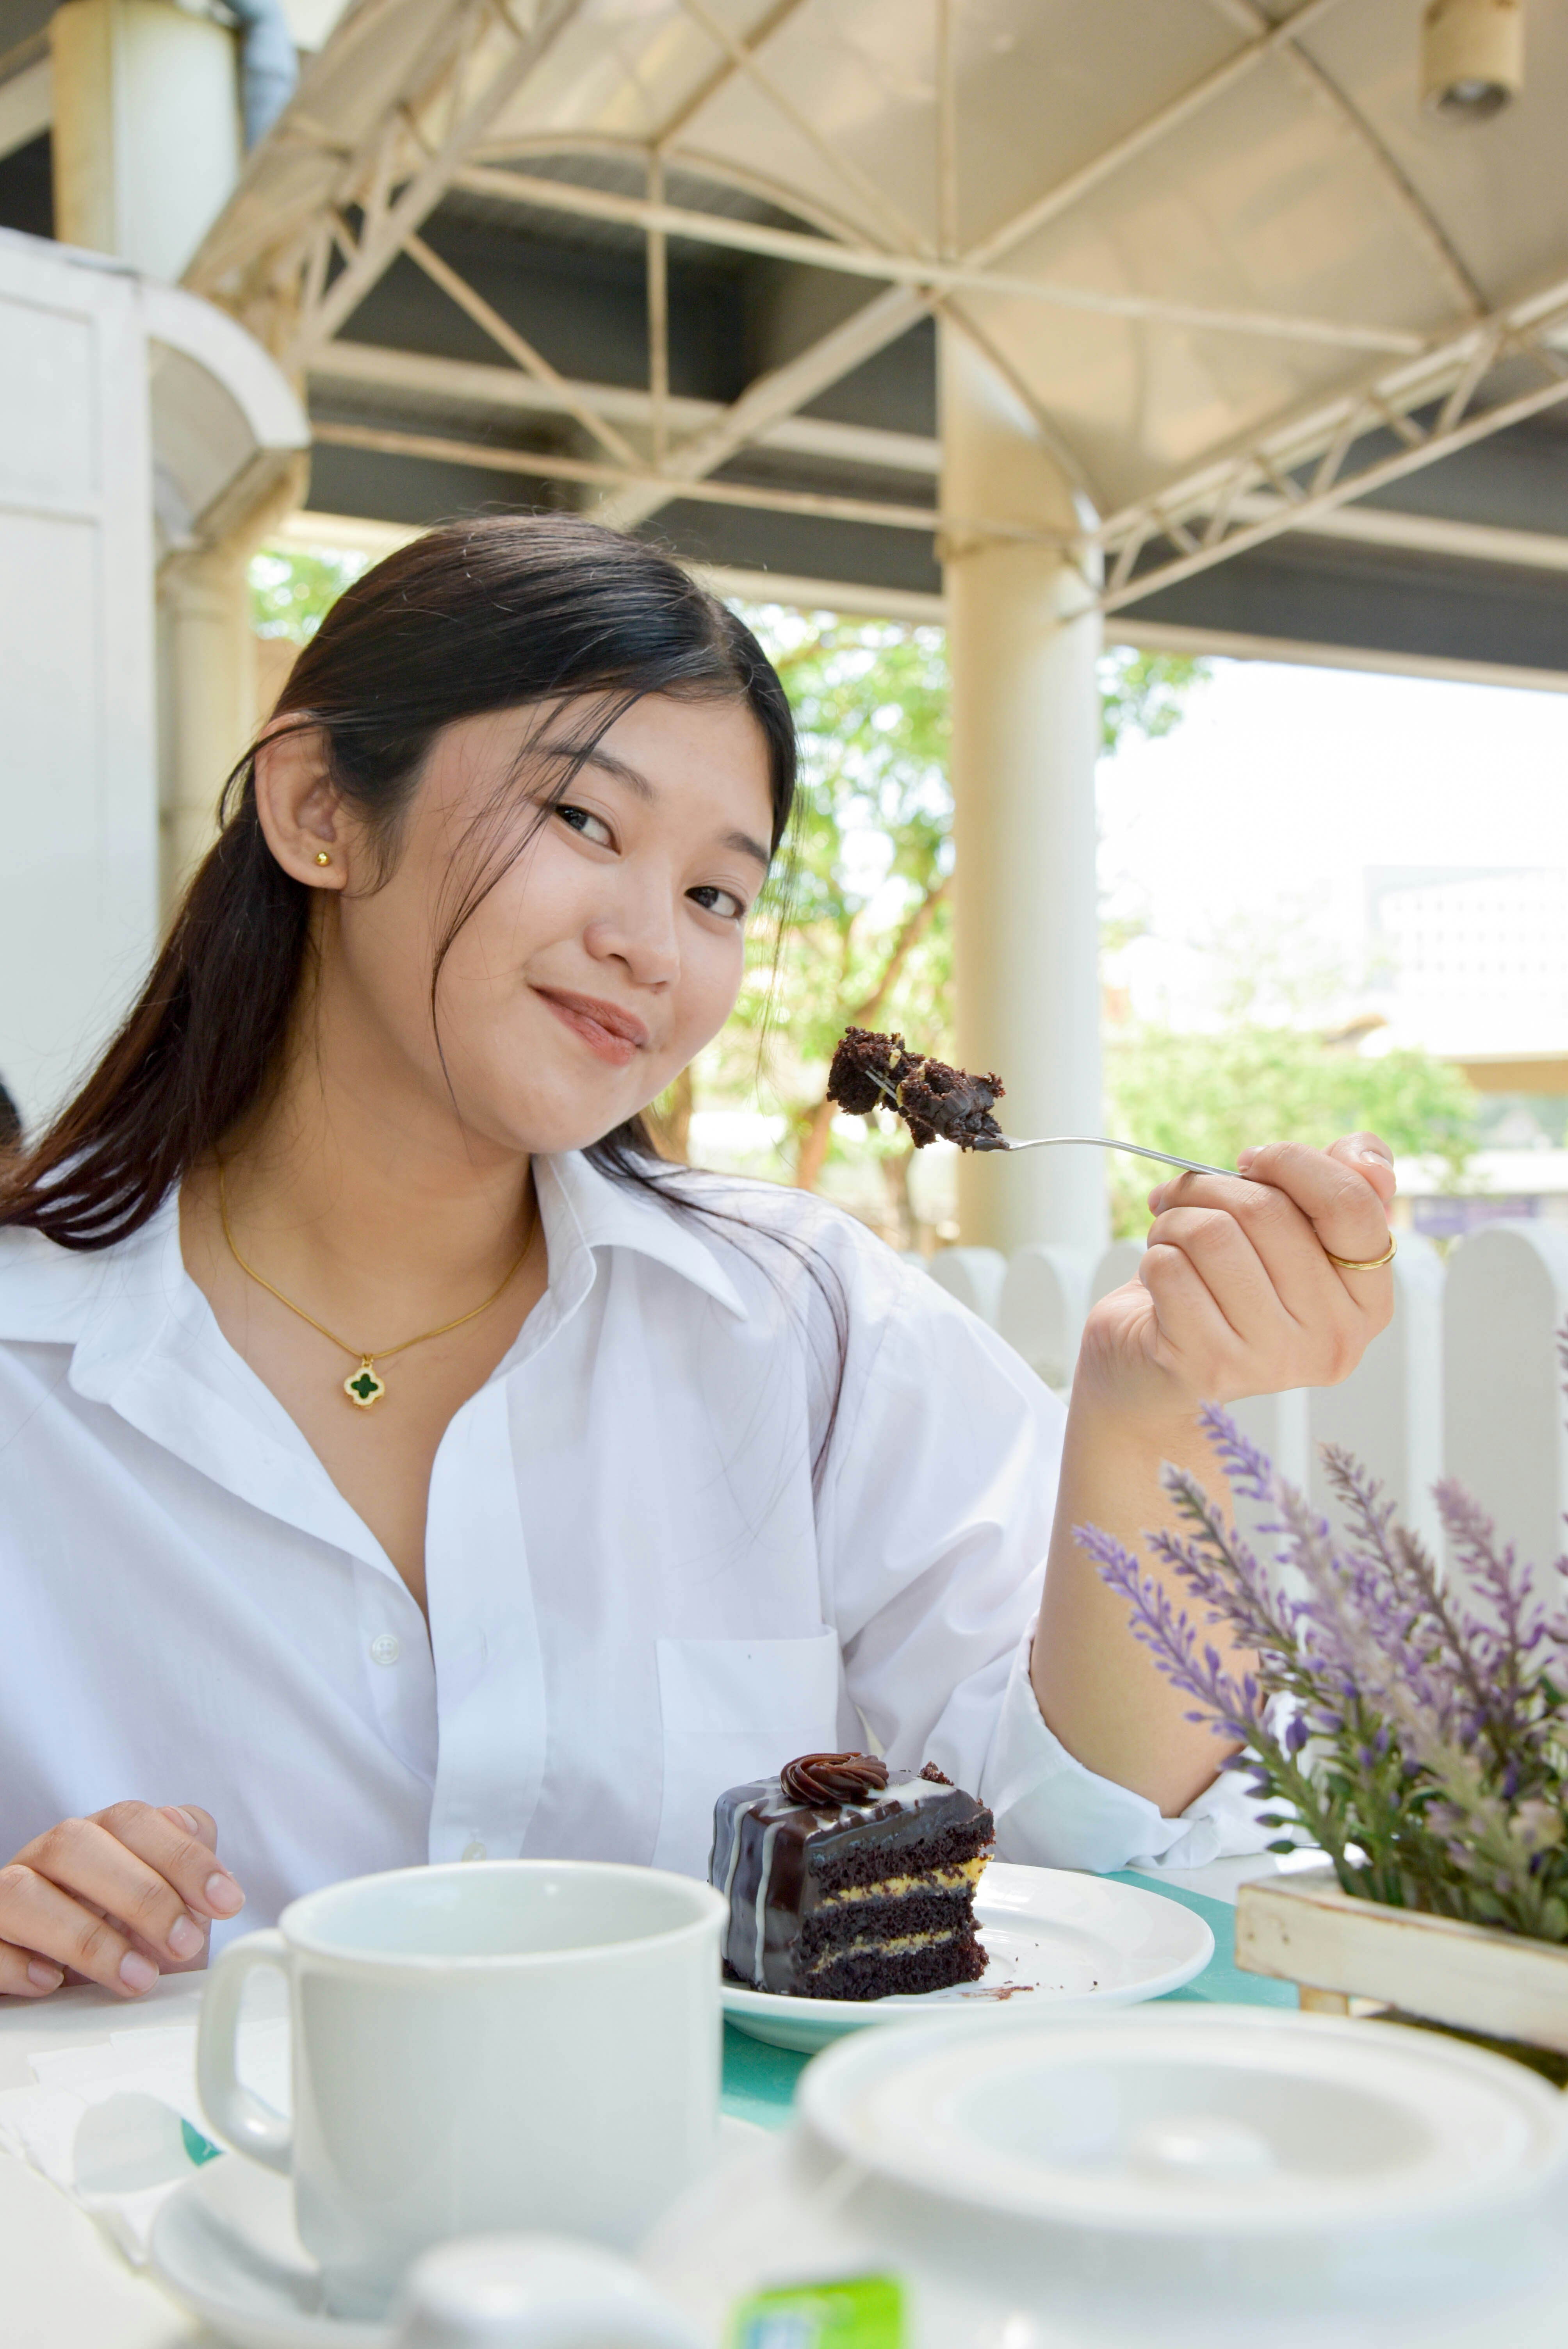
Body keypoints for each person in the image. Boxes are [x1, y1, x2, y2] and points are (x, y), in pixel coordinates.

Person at [0, 517, 1396, 2002]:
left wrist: (1144, 1407)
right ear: (319, 806)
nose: (654, 947)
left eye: (717, 895)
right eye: (588, 823)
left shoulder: (802, 1322)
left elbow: (1098, 1850)